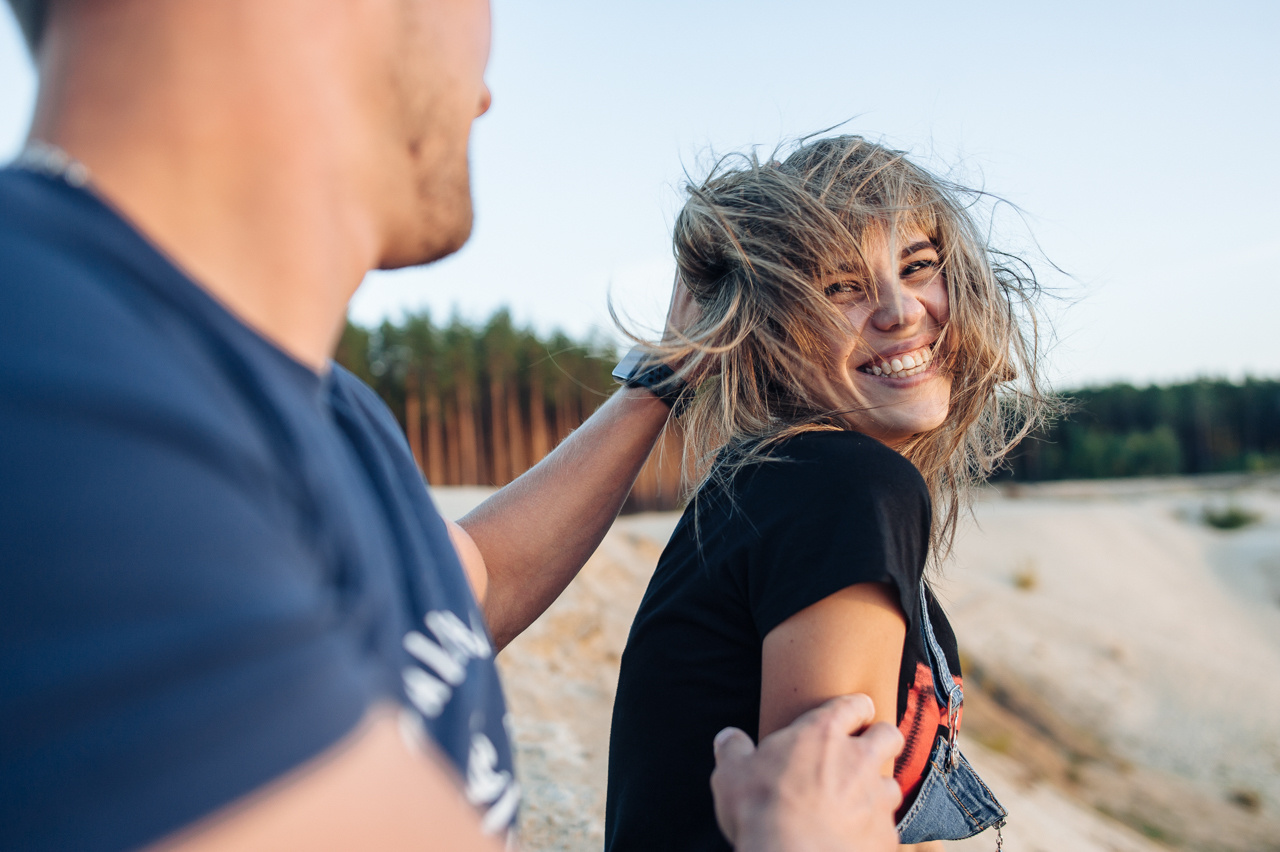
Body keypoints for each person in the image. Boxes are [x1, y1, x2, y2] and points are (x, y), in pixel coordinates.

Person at [0, 2, 906, 851]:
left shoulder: (323, 412)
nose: (487, 80)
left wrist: (661, 380)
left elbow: (458, 592)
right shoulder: (47, 378)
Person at [604, 137, 1055, 850]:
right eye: (841, 286)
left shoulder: (778, 488)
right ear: (768, 330)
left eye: (917, 267)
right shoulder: (840, 485)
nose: (901, 311)